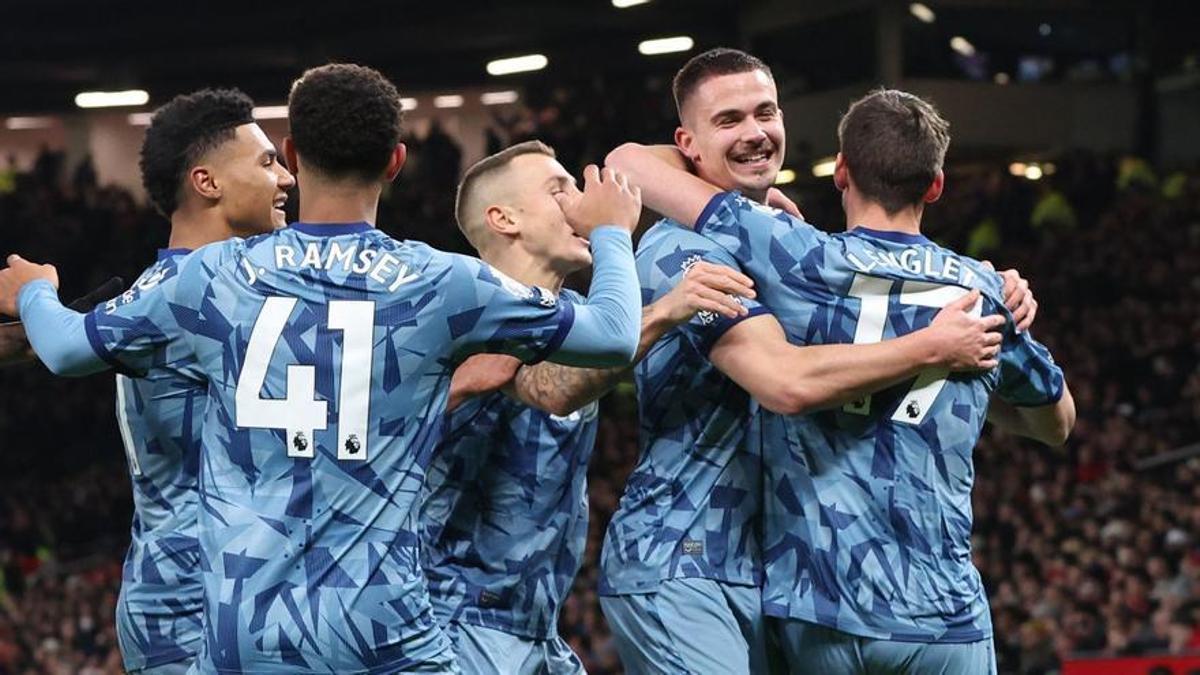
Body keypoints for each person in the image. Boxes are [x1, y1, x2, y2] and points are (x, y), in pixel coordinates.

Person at [0, 63, 644, 673]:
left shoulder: (208, 277)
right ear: (396, 160)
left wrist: (33, 290)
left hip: (241, 626)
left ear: (294, 153)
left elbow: (62, 349)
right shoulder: (442, 281)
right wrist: (612, 232)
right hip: (382, 625)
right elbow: (614, 337)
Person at [491, 48, 1027, 675]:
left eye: (765, 113)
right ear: (686, 143)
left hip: (778, 571)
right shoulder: (683, 250)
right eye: (728, 121)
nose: (754, 133)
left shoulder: (785, 243)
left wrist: (988, 284)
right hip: (686, 557)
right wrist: (934, 344)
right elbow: (784, 382)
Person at [608, 87, 1076, 674]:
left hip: (823, 608)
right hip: (946, 613)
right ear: (935, 185)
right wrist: (954, 362)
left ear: (842, 173)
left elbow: (628, 164)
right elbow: (1056, 422)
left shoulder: (801, 260)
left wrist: (724, 176)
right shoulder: (984, 291)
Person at [422, 140, 754, 674]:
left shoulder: (579, 316)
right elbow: (552, 386)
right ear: (504, 218)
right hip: (456, 621)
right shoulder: (464, 306)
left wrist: (748, 205)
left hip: (536, 626)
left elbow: (653, 157)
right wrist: (660, 300)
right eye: (559, 191)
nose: (579, 203)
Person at [6, 88, 293, 674]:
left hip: (217, 588)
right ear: (207, 182)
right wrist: (35, 291)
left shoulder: (179, 291)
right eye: (267, 162)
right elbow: (63, 349)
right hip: (190, 599)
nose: (286, 177)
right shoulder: (191, 288)